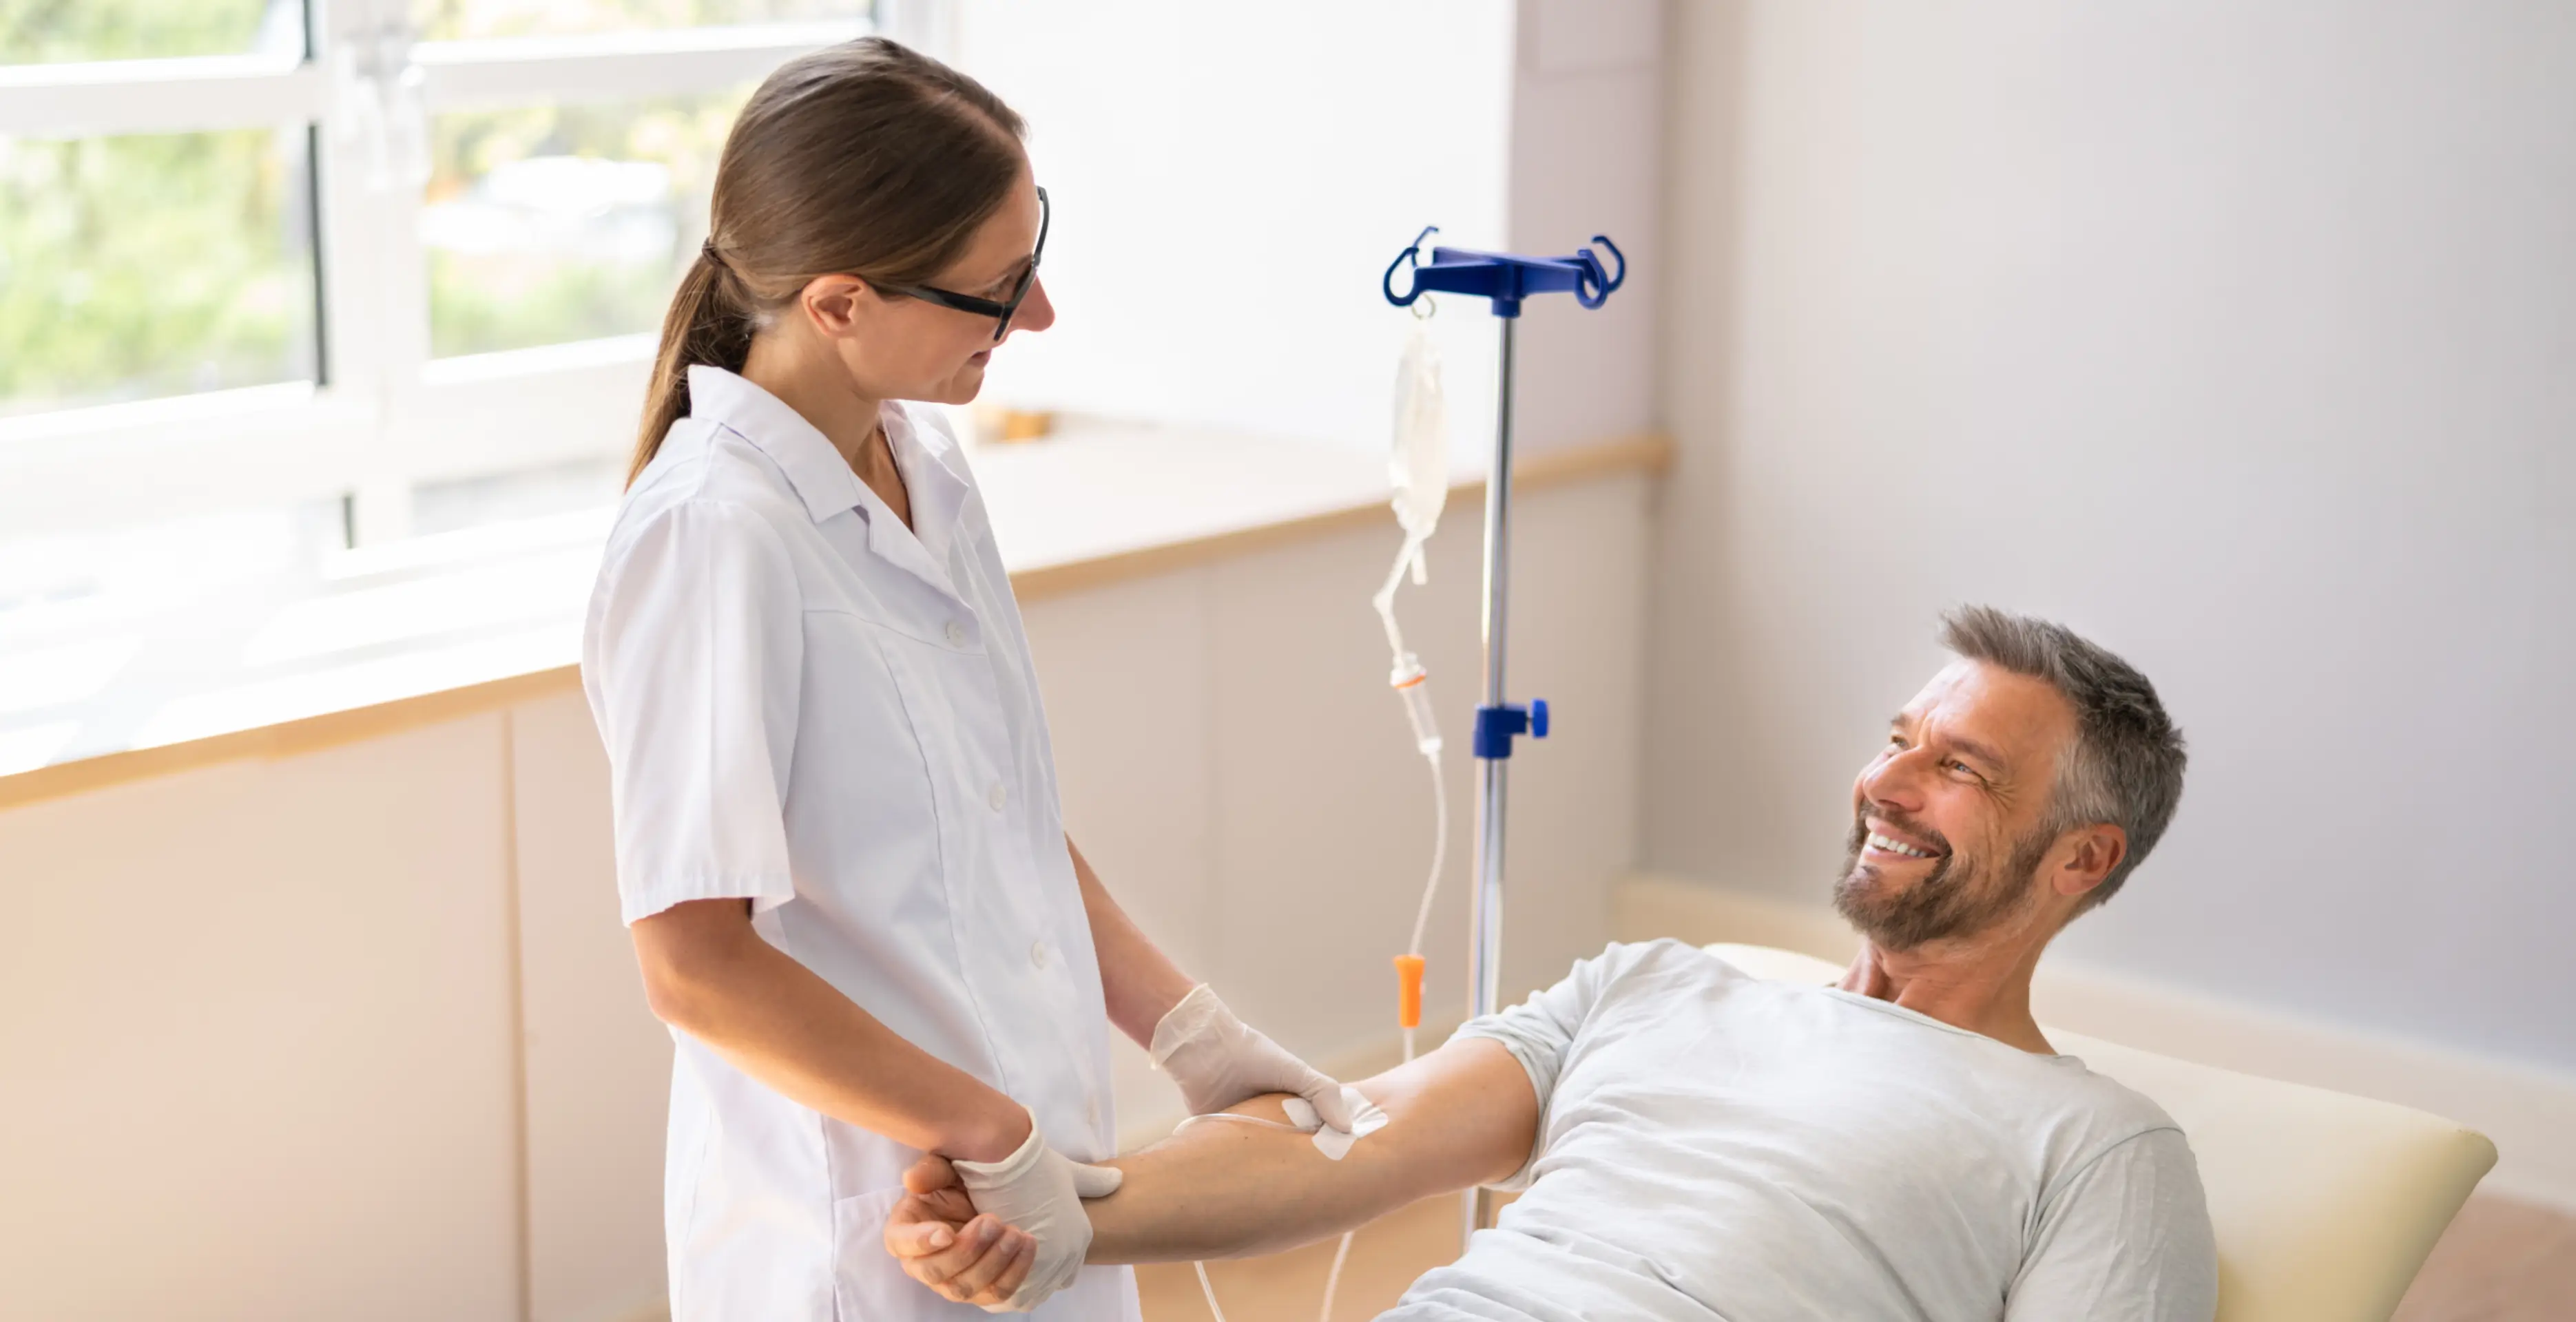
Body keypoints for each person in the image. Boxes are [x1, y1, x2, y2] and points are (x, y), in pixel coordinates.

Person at [579, 38, 1349, 1321]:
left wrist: (1190, 1032)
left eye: (1031, 260)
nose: (1036, 317)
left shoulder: (923, 460)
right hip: (867, 1220)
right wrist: (986, 1130)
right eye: (997, 291)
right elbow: (694, 964)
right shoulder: (715, 534)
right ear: (838, 304)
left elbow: (998, 820)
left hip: (1028, 1170)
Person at [886, 607, 2219, 1321]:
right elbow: (1345, 1145)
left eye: (1959, 770)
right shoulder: (1656, 983)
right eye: (1898, 739)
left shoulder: (2095, 1146)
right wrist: (1054, 1208)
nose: (1886, 783)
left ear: (2081, 862)